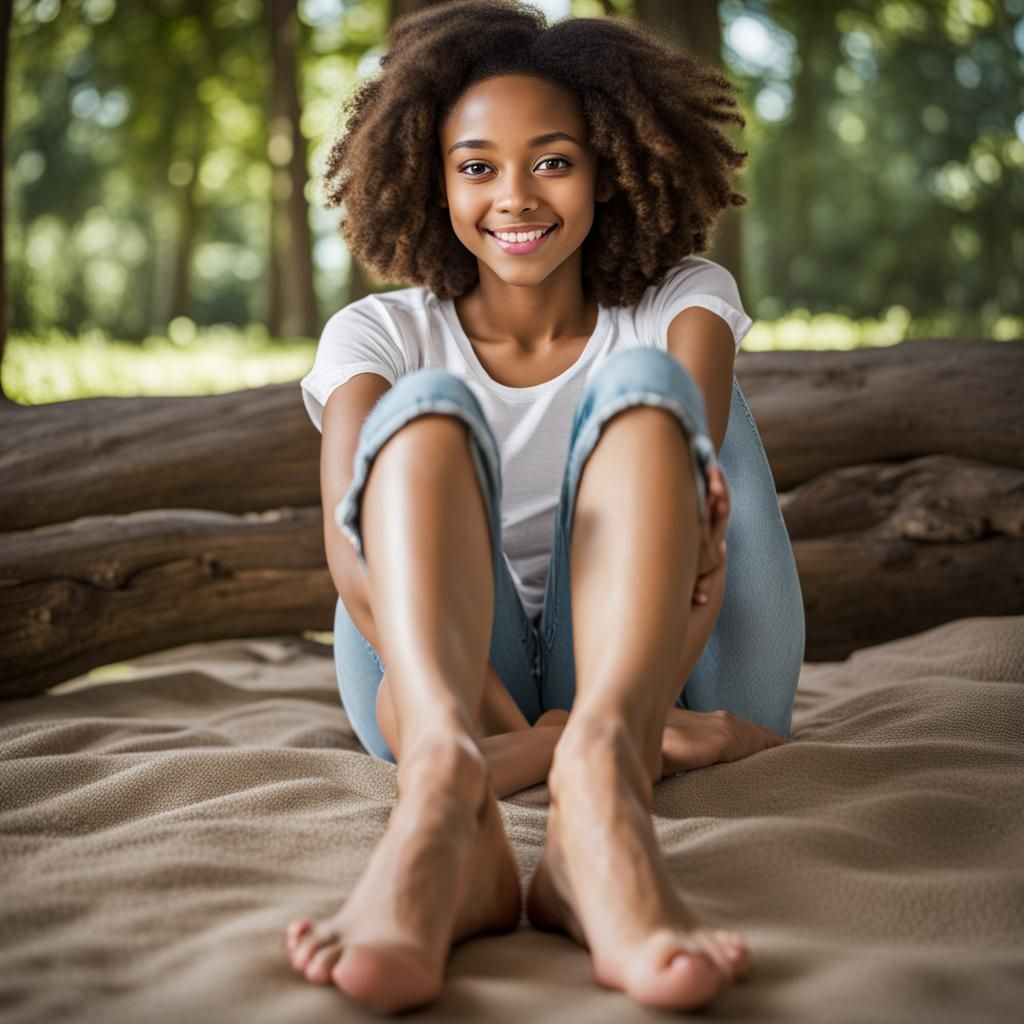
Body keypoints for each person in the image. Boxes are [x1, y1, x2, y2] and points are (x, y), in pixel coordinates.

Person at [286, 0, 805, 1013]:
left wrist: (598, 716)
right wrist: (461, 730)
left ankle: (597, 783)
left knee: (647, 397)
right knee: (422, 413)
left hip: (663, 640)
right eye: (476, 165)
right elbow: (354, 565)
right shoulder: (375, 332)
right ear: (431, 180)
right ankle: (454, 794)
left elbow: (696, 509)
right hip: (435, 663)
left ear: (610, 166)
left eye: (553, 161)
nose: (514, 197)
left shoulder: (679, 298)